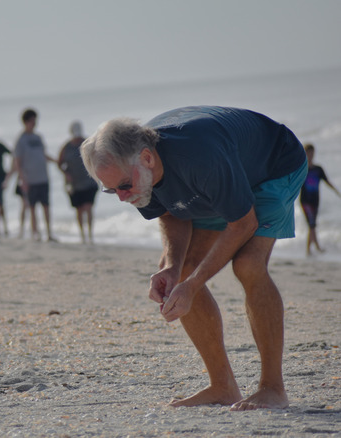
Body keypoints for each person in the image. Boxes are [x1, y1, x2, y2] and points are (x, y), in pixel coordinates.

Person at [81, 106, 307, 411]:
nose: (122, 197)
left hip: (273, 165)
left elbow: (243, 224)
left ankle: (273, 388)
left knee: (248, 265)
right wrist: (175, 269)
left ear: (147, 158)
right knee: (180, 270)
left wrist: (193, 284)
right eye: (111, 191)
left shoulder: (199, 157)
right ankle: (223, 385)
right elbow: (170, 214)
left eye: (123, 186)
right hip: (221, 178)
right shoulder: (134, 173)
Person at [6, 108, 56, 242]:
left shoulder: (38, 137)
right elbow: (17, 161)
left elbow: (43, 155)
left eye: (35, 120)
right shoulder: (21, 140)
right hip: (30, 180)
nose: (35, 123)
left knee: (46, 206)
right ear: (26, 121)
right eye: (32, 120)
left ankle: (49, 233)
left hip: (43, 177)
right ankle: (36, 234)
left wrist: (56, 161)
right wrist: (23, 180)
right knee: (32, 207)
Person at [58, 121, 98, 243]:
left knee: (88, 207)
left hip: (89, 181)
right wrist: (66, 174)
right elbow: (60, 163)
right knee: (79, 209)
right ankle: (82, 235)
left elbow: (97, 158)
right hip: (74, 184)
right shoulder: (66, 147)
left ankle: (90, 234)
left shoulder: (88, 142)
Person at [300, 143, 340, 256]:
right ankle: (317, 247)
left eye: (312, 153)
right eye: (308, 153)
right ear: (305, 153)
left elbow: (327, 182)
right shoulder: (302, 169)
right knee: (312, 224)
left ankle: (309, 250)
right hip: (305, 200)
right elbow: (294, 183)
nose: (311, 155)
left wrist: (337, 192)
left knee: (312, 225)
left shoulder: (318, 169)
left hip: (315, 201)